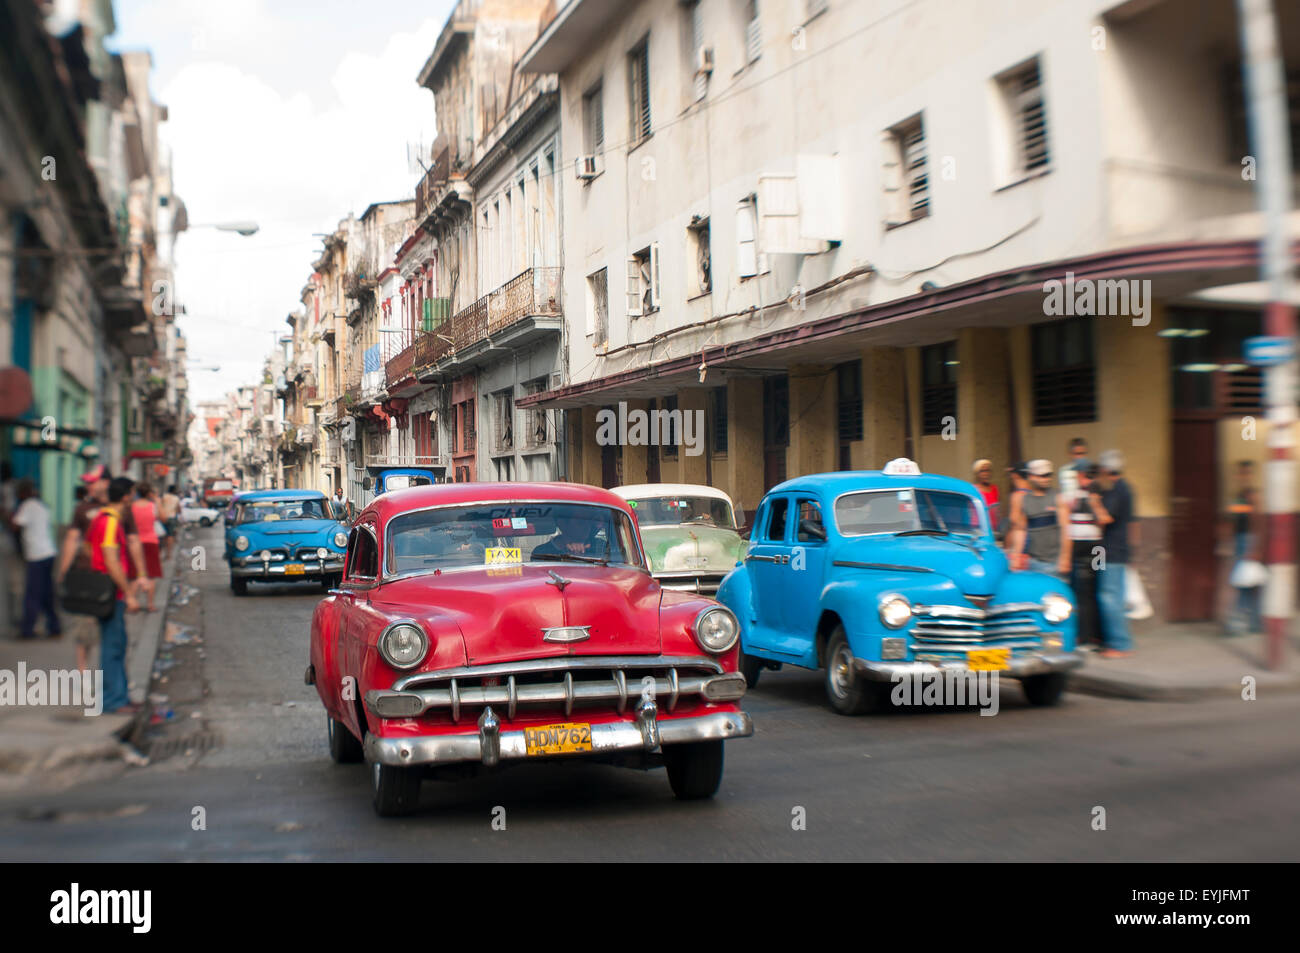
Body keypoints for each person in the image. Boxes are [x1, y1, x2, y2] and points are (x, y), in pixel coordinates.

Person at [86, 476, 140, 714]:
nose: (134, 499)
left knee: (117, 643)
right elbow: (110, 559)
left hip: (106, 590)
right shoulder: (110, 522)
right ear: (126, 496)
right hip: (112, 592)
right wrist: (128, 592)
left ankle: (121, 696)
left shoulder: (101, 517)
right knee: (113, 646)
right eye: (133, 494)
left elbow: (88, 547)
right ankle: (113, 701)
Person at [1093, 450, 1136, 657]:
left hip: (1111, 551)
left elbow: (1105, 518)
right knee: (1109, 594)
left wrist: (1093, 501)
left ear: (1106, 469)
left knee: (1108, 596)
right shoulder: (1117, 489)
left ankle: (1118, 644)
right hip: (1104, 550)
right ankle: (1114, 641)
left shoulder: (1119, 490)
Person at [1064, 461, 1110, 651]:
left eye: (1081, 475)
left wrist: (1094, 500)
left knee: (1094, 589)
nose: (1080, 478)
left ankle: (1093, 638)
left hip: (1096, 548)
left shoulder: (1097, 493)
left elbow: (1104, 520)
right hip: (1082, 547)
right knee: (1082, 591)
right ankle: (1086, 637)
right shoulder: (1072, 494)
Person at [10, 479, 61, 640]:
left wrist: (7, 513)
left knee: (32, 594)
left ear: (23, 493)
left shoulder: (27, 506)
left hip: (36, 555)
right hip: (48, 552)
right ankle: (54, 627)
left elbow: (15, 525)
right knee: (46, 592)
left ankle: (28, 629)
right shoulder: (41, 505)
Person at [1008, 460, 1070, 577]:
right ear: (1031, 476)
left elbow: (1066, 529)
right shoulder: (1024, 500)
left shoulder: (1058, 497)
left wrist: (1065, 557)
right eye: (1041, 476)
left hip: (1055, 562)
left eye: (1048, 475)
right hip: (1034, 562)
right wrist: (1016, 556)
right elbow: (1020, 530)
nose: (1046, 479)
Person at [1226, 460, 1264, 635]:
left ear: (1251, 474)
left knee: (1245, 583)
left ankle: (1240, 623)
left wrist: (1255, 548)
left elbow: (1258, 521)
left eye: (1246, 473)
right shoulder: (1238, 495)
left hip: (1249, 541)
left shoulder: (1252, 495)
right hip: (1240, 540)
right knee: (1248, 583)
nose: (1243, 476)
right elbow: (1235, 518)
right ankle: (1255, 623)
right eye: (1241, 473)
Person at [131, 483, 163, 612]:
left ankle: (132, 602)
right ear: (149, 493)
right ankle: (150, 605)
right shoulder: (152, 506)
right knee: (151, 575)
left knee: (134, 574)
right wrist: (158, 502)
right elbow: (163, 518)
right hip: (151, 542)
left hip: (134, 542)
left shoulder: (131, 507)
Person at [532, 513, 605, 559]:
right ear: (562, 524)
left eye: (589, 522)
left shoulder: (601, 546)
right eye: (580, 522)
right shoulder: (541, 552)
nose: (587, 527)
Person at [972, 459, 1000, 526]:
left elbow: (997, 509)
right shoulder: (974, 489)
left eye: (988, 470)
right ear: (977, 474)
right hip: (979, 526)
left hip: (993, 526)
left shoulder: (994, 488)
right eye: (982, 471)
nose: (986, 474)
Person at [159, 484, 181, 559]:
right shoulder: (176, 498)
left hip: (163, 517)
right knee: (170, 536)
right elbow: (179, 510)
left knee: (163, 535)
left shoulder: (164, 496)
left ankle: (162, 553)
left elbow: (160, 506)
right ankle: (168, 554)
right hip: (172, 518)